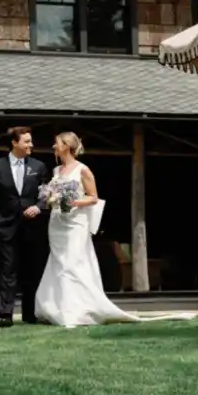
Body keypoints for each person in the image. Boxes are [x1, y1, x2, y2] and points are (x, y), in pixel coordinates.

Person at [35, 131, 138, 329]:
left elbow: (93, 197)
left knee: (72, 264)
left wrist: (71, 201)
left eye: (56, 143)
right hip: (57, 223)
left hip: (75, 224)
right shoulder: (57, 171)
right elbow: (52, 194)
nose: (53, 147)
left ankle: (74, 311)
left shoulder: (83, 170)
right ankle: (56, 308)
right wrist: (50, 199)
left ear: (66, 146)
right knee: (58, 263)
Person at [0, 125, 49, 328]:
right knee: (8, 270)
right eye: (27, 141)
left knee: (31, 270)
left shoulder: (38, 167)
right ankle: (6, 314)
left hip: (32, 227)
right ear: (14, 143)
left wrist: (38, 207)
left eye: (31, 141)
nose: (31, 145)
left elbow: (46, 194)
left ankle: (29, 313)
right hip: (6, 226)